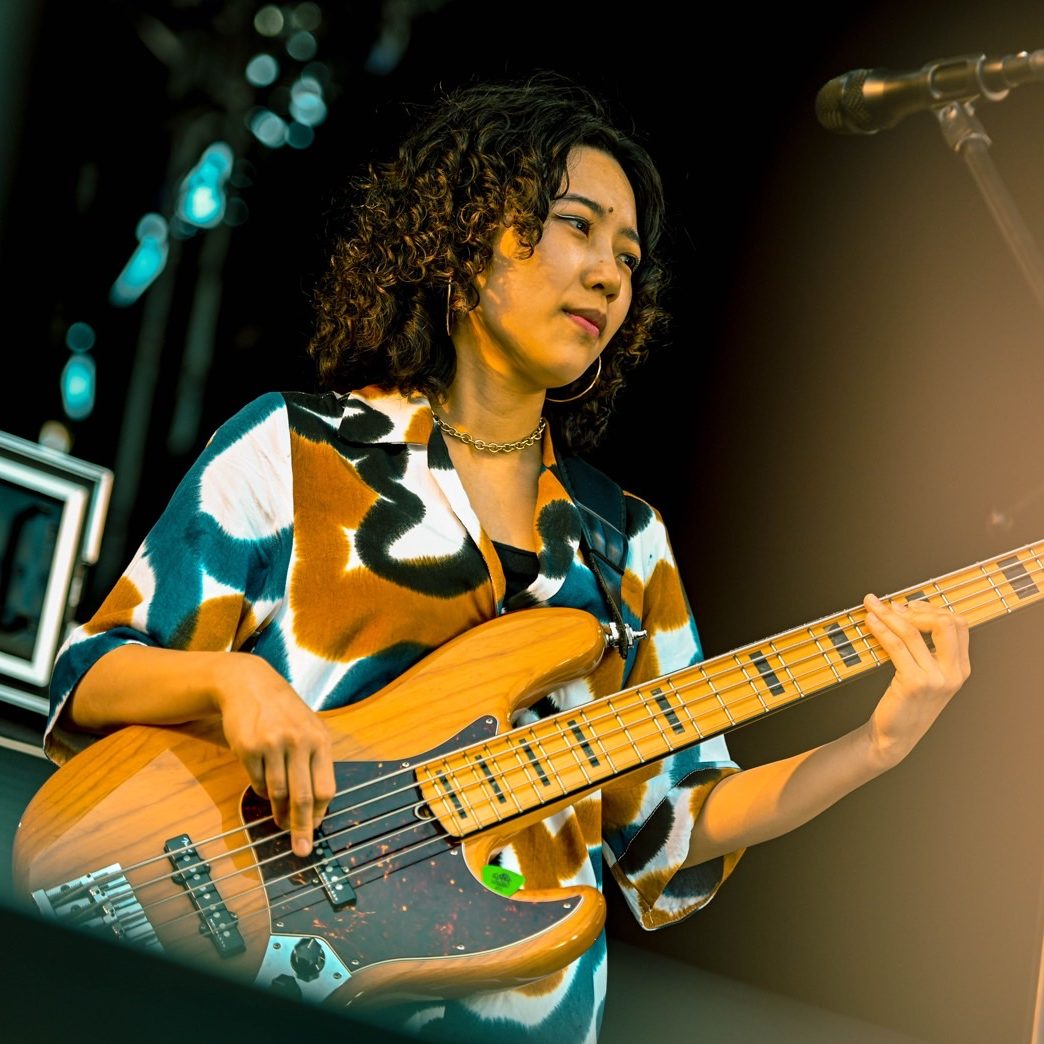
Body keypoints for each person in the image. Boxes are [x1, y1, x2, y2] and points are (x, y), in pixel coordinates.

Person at [44, 71, 971, 1043]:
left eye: (629, 256)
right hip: (264, 981)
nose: (610, 275)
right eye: (577, 226)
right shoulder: (295, 450)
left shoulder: (627, 546)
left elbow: (671, 828)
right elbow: (90, 677)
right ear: (462, 236)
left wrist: (874, 747)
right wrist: (236, 682)